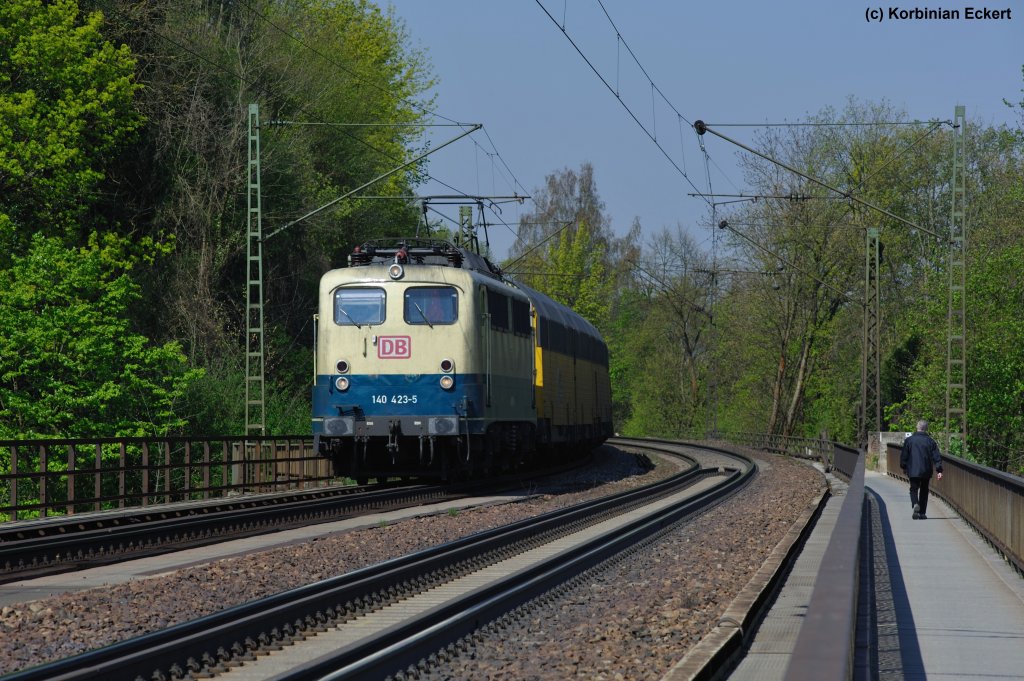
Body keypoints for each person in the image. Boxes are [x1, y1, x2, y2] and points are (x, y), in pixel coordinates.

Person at [900, 419, 944, 519]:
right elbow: (936, 456)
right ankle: (922, 513)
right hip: (926, 470)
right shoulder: (931, 441)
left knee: (913, 489)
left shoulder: (909, 440)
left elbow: (904, 456)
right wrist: (939, 470)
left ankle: (915, 503)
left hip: (913, 470)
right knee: (924, 490)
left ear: (917, 427)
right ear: (926, 428)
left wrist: (903, 466)